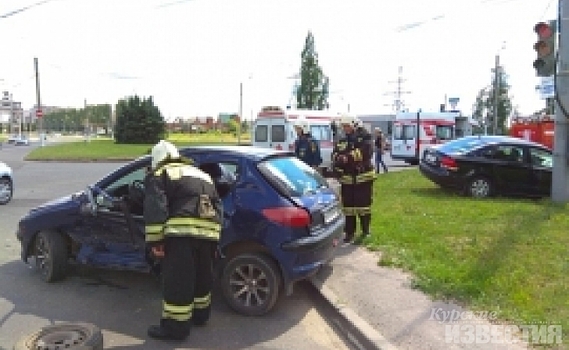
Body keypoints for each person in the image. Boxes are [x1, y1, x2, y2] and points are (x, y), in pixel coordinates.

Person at [144, 140, 223, 341]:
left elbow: (156, 207)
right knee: (201, 277)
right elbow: (218, 206)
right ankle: (200, 316)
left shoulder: (161, 174)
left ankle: (175, 329)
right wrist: (215, 240)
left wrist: (156, 242)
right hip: (209, 233)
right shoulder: (202, 174)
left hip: (181, 235)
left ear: (158, 160)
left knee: (178, 281)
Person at [331, 115, 375, 245]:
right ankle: (349, 233)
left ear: (354, 125)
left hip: (363, 178)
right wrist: (337, 161)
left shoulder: (365, 136)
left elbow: (367, 151)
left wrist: (347, 158)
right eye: (344, 126)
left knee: (364, 206)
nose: (346, 129)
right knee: (348, 208)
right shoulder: (342, 139)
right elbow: (335, 153)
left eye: (347, 126)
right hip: (347, 179)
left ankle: (366, 231)